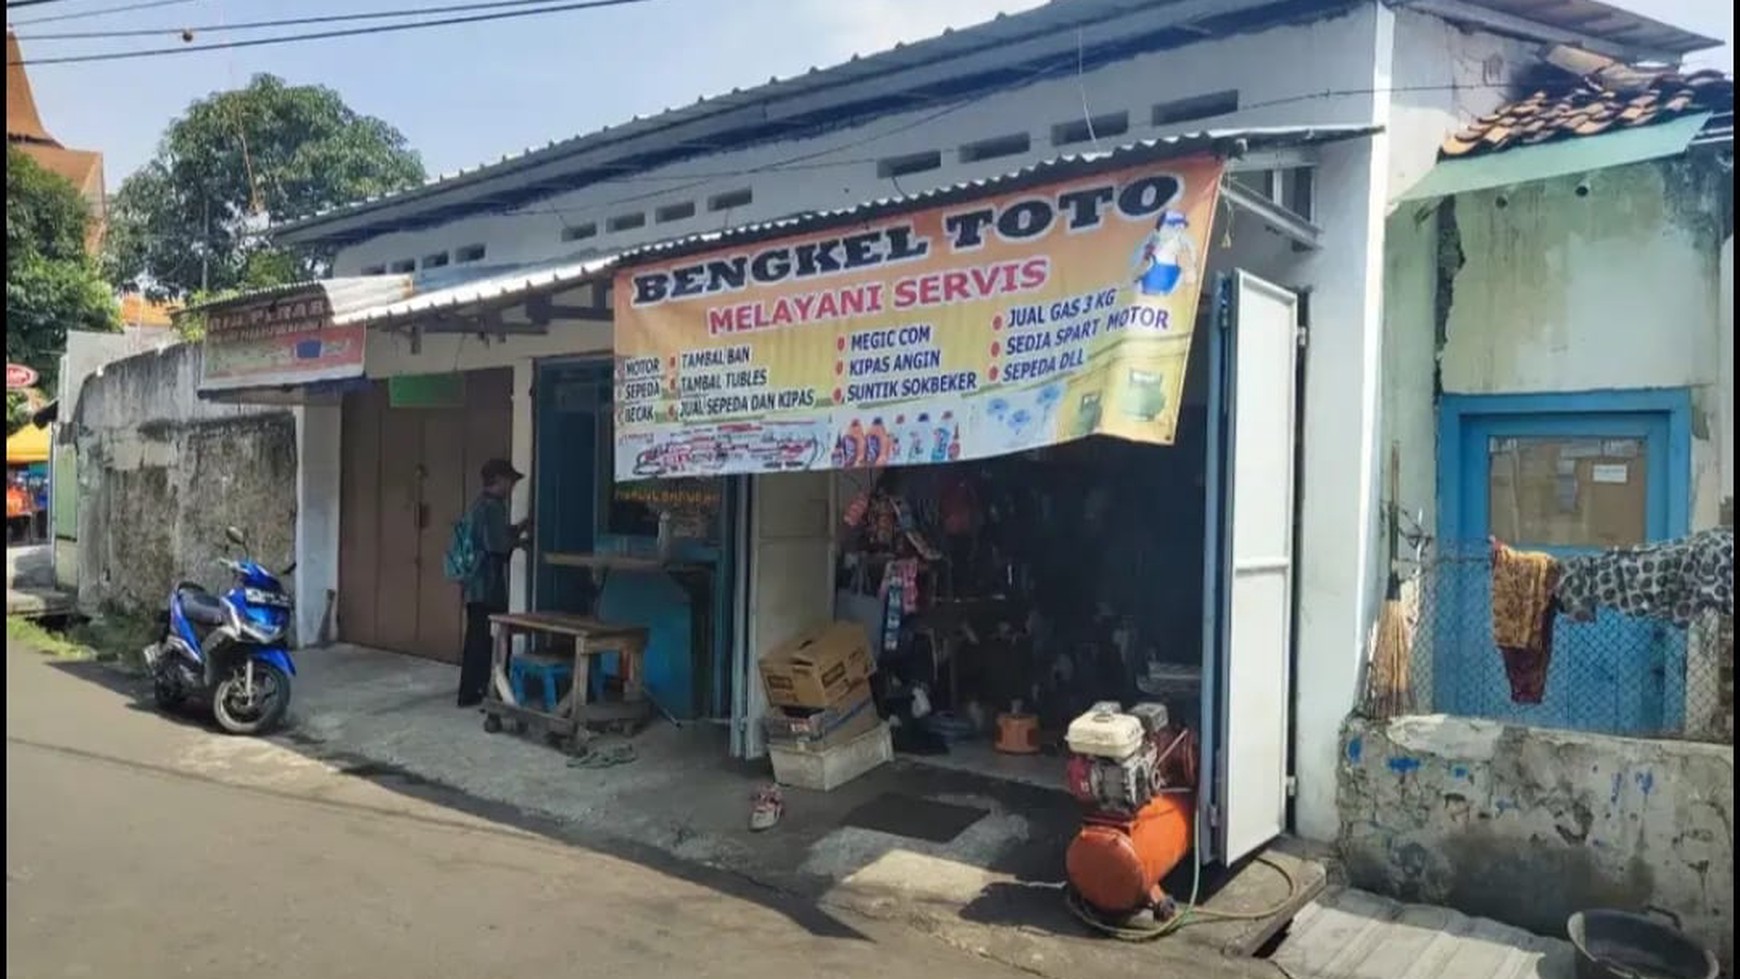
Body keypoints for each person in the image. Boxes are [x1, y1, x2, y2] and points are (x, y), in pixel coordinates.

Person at [457, 458, 531, 707]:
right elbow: (497, 546)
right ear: (498, 480)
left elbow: (494, 538)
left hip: (475, 585)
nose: (512, 487)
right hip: (486, 585)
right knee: (490, 640)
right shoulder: (493, 507)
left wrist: (518, 529)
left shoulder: (480, 505)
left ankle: (473, 690)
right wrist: (521, 541)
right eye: (510, 482)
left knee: (477, 638)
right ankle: (486, 689)